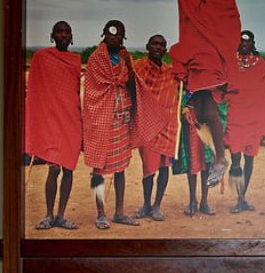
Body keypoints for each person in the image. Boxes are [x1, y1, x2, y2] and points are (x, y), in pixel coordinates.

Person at [169, 0, 241, 189]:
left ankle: (220, 158)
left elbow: (231, 19)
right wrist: (186, 53)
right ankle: (217, 157)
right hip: (194, 51)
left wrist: (226, 52)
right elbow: (184, 20)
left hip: (215, 51)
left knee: (209, 109)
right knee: (200, 110)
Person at [82, 20, 167, 230]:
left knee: (120, 168)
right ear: (104, 35)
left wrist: (134, 110)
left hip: (122, 119)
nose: (114, 38)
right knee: (98, 170)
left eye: (119, 34)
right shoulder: (95, 59)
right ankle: (100, 213)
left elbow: (131, 84)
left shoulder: (125, 58)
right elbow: (92, 92)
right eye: (111, 34)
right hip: (102, 119)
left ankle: (119, 212)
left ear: (123, 37)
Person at [24, 19, 83, 230]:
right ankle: (48, 215)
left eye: (67, 32)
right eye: (59, 31)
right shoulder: (41, 58)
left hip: (71, 121)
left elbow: (76, 91)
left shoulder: (75, 60)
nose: (63, 35)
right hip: (51, 122)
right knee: (54, 168)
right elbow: (36, 89)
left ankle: (61, 216)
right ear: (52, 36)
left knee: (68, 169)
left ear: (71, 37)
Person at [225, 29, 265, 213]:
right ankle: (238, 193)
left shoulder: (260, 64)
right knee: (236, 159)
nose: (244, 44)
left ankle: (241, 198)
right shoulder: (230, 62)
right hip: (235, 116)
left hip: (253, 118)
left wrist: (263, 115)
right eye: (241, 41)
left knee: (249, 158)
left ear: (253, 44)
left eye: (248, 42)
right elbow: (223, 84)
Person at [134, 33, 180, 222]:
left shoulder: (171, 73)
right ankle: (146, 204)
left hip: (168, 127)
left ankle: (157, 206)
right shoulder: (137, 68)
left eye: (161, 45)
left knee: (164, 167)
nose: (158, 47)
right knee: (148, 167)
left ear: (165, 50)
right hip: (147, 126)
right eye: (154, 44)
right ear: (147, 46)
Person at [172, 86, 228, 217]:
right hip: (192, 122)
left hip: (209, 125)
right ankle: (192, 201)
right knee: (192, 160)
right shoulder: (190, 79)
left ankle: (204, 201)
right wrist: (185, 109)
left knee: (207, 162)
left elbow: (221, 98)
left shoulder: (213, 81)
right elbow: (182, 93)